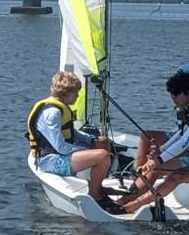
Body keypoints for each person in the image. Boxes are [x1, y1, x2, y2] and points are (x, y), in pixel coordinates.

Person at [113, 68, 189, 215]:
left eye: (177, 94)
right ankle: (125, 199)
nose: (173, 98)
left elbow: (185, 141)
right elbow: (180, 133)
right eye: (171, 94)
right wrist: (159, 154)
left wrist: (158, 158)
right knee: (156, 169)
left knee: (175, 176)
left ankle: (133, 205)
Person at [26, 71, 121, 212]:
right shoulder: (52, 113)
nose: (77, 96)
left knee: (102, 142)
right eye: (76, 93)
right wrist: (85, 150)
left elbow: (71, 133)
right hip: (50, 160)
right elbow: (59, 146)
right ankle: (95, 195)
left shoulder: (60, 107)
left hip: (61, 154)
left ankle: (98, 184)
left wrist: (91, 141)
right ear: (68, 93)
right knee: (102, 155)